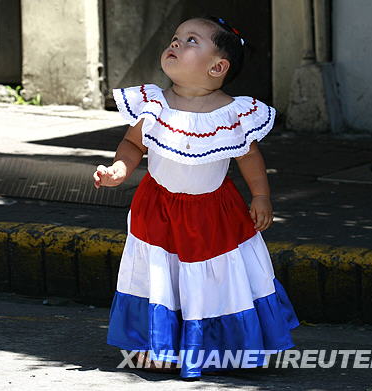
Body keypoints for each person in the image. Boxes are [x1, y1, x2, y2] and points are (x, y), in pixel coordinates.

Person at [93, 16, 300, 379]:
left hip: (214, 213)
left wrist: (261, 196)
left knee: (218, 279)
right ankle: (157, 346)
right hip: (157, 211)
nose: (175, 44)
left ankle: (231, 347)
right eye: (175, 38)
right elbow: (131, 144)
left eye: (190, 40)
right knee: (159, 277)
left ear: (218, 67)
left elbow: (248, 156)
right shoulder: (153, 104)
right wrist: (119, 171)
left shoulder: (233, 113)